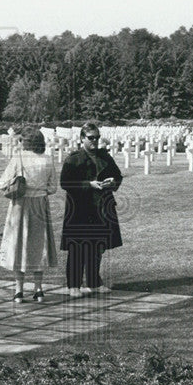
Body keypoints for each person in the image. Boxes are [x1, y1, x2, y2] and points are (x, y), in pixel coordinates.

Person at [60, 122, 123, 298]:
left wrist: (112, 182)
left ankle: (94, 282)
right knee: (78, 247)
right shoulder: (73, 159)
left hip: (102, 206)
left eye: (97, 137)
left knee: (97, 246)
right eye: (91, 138)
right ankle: (74, 284)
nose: (95, 141)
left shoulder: (105, 157)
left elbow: (118, 176)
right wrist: (88, 184)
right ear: (82, 138)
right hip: (80, 208)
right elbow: (65, 183)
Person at [0, 128, 58, 302]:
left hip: (21, 205)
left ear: (26, 142)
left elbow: (2, 184)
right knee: (39, 246)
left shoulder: (19, 158)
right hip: (40, 205)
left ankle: (18, 290)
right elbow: (53, 187)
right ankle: (38, 289)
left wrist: (18, 183)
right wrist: (39, 189)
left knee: (19, 245)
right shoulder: (47, 159)